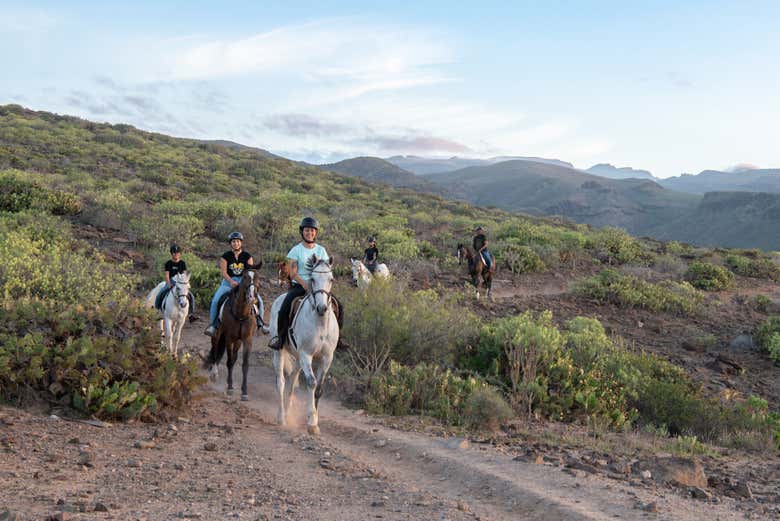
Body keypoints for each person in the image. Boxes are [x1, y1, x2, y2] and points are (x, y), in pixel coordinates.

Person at [268, 217, 348, 350]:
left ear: (315, 233)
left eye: (312, 230)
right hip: (300, 286)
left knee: (339, 306)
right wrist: (304, 284)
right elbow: (292, 273)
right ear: (302, 232)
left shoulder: (321, 250)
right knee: (284, 308)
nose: (309, 233)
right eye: (306, 230)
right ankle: (280, 339)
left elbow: (325, 269)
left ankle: (338, 339)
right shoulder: (295, 250)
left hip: (319, 287)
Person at [204, 232, 256, 337]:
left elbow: (250, 272)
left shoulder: (247, 256)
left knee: (257, 300)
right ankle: (213, 325)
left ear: (241, 243)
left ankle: (260, 324)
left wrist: (242, 283)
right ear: (230, 243)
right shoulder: (225, 256)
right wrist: (231, 281)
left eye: (237, 241)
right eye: (233, 241)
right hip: (228, 282)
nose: (235, 243)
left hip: (244, 282)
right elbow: (223, 272)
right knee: (215, 300)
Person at [156, 243, 198, 322]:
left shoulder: (182, 263)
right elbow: (167, 275)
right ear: (171, 254)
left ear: (180, 254)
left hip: (181, 282)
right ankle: (158, 311)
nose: (176, 255)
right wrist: (169, 284)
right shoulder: (168, 263)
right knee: (161, 293)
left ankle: (191, 314)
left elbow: (184, 275)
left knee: (191, 296)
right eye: (174, 253)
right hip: (172, 281)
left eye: (177, 253)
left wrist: (186, 284)